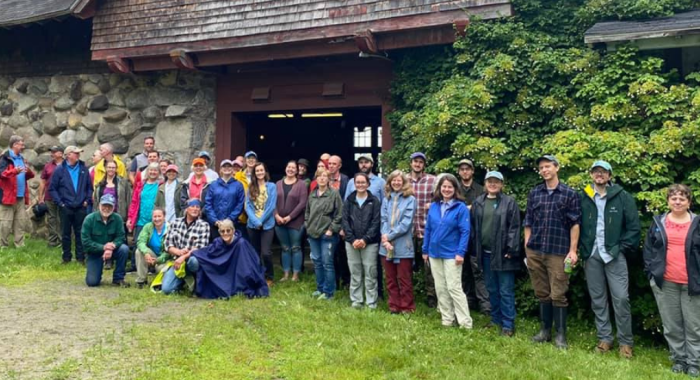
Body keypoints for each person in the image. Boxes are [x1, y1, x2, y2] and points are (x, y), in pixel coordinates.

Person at [580, 161, 640, 358]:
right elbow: (575, 223)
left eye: (603, 171)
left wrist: (621, 249)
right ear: (591, 175)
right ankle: (605, 338)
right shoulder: (584, 196)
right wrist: (581, 249)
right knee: (598, 299)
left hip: (614, 254)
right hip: (592, 254)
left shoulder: (622, 196)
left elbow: (633, 228)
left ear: (609, 175)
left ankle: (626, 342)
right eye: (596, 171)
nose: (599, 174)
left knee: (621, 299)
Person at [525, 155, 581, 349]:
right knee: (542, 292)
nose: (544, 170)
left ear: (556, 168)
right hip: (536, 249)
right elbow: (528, 222)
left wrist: (573, 251)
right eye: (541, 168)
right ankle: (545, 331)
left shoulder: (569, 193)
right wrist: (527, 247)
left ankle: (560, 335)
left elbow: (575, 224)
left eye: (548, 166)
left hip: (558, 251)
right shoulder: (535, 193)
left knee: (558, 294)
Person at [644, 184, 700, 376]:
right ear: (668, 201)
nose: (677, 202)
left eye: (682, 199)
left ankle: (694, 363)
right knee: (672, 325)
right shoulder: (659, 222)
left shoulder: (697, 223)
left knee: (694, 326)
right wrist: (652, 274)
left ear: (689, 202)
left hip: (692, 284)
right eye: (673, 198)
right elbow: (649, 249)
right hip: (665, 282)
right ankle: (678, 360)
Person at [471, 171, 521, 337]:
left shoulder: (509, 202)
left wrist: (511, 249)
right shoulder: (478, 202)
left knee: (505, 290)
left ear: (502, 184)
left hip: (503, 254)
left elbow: (514, 227)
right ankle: (495, 320)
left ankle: (508, 324)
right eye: (490, 181)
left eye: (496, 182)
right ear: (485, 183)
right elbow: (474, 229)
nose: (493, 184)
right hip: (485, 253)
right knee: (491, 289)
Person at [423, 174, 472, 329]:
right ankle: (447, 319)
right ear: (439, 188)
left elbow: (465, 232)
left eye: (450, 187)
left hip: (452, 253)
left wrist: (460, 253)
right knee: (440, 287)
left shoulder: (461, 208)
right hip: (434, 253)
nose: (446, 189)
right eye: (444, 186)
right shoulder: (434, 206)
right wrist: (425, 250)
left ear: (455, 189)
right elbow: (428, 229)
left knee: (454, 287)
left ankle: (465, 322)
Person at [192, 219, 270, 299]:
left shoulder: (241, 243)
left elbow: (248, 265)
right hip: (225, 274)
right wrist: (190, 253)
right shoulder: (218, 242)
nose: (225, 233)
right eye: (222, 231)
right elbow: (207, 253)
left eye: (228, 230)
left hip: (238, 275)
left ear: (233, 230)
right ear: (219, 232)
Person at [342, 172, 381, 309]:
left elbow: (376, 222)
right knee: (355, 271)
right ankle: (356, 300)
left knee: (370, 272)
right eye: (357, 182)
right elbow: (345, 221)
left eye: (363, 182)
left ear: (368, 184)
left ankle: (371, 302)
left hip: (369, 243)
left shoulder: (374, 201)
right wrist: (352, 239)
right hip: (351, 242)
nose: (360, 185)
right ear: (354, 184)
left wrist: (365, 239)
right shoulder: (349, 200)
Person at [380, 170, 416, 314]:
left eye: (399, 180)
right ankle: (394, 305)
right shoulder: (386, 199)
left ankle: (407, 306)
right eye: (393, 180)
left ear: (404, 182)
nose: (396, 183)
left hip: (403, 245)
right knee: (390, 278)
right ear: (389, 182)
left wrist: (389, 236)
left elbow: (406, 224)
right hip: (386, 246)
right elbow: (383, 219)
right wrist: (384, 237)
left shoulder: (410, 199)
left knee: (404, 278)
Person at [456, 158, 489, 315]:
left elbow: (484, 211)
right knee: (463, 271)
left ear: (472, 171)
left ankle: (484, 305)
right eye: (462, 169)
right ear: (459, 172)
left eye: (467, 169)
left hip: (477, 235)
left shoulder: (481, 190)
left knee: (478, 270)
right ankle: (467, 302)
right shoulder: (455, 189)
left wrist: (471, 208)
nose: (465, 171)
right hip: (459, 237)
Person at [49, 146, 93, 264]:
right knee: (65, 233)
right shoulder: (59, 170)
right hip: (66, 206)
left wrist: (87, 200)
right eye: (75, 153)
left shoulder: (83, 169)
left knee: (80, 233)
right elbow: (52, 189)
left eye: (78, 153)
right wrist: (61, 203)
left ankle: (80, 257)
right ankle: (66, 257)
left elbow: (89, 187)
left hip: (80, 206)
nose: (78, 155)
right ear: (68, 155)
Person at [305, 167, 343, 300]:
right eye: (319, 176)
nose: (322, 178)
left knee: (327, 263)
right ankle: (319, 288)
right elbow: (307, 212)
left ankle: (329, 292)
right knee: (317, 261)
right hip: (313, 233)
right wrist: (307, 225)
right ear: (316, 179)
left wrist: (331, 229)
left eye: (324, 176)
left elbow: (339, 214)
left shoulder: (333, 194)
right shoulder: (312, 194)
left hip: (327, 234)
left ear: (328, 179)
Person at [161, 199, 210, 294]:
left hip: (192, 260)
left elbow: (201, 248)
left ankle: (195, 281)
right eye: (192, 206)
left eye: (198, 207)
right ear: (187, 209)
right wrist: (178, 252)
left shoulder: (204, 225)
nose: (195, 209)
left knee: (194, 261)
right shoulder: (175, 223)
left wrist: (183, 256)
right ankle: (183, 282)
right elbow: (167, 244)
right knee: (166, 290)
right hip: (177, 262)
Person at [82, 194, 130, 287]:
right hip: (95, 252)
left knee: (124, 249)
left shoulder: (118, 219)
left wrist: (112, 246)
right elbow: (86, 242)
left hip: (113, 250)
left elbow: (121, 237)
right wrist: (103, 247)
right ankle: (97, 272)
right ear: (99, 205)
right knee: (92, 282)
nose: (106, 208)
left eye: (109, 206)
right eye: (104, 205)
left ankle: (118, 278)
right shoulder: (89, 219)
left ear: (113, 207)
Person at [409, 152, 437, 307]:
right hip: (408, 230)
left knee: (429, 267)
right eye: (415, 161)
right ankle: (408, 295)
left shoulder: (432, 180)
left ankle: (432, 297)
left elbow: (441, 200)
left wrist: (432, 205)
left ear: (424, 165)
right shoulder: (404, 180)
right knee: (407, 265)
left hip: (427, 230)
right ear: (411, 163)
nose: (417, 164)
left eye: (420, 162)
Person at [275, 160, 308, 282]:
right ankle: (286, 274)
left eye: (293, 168)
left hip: (295, 222)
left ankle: (295, 275)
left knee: (295, 247)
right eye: (289, 167)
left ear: (297, 170)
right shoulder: (278, 184)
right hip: (279, 222)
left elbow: (302, 203)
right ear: (285, 169)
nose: (291, 169)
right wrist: (276, 215)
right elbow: (272, 201)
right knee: (285, 247)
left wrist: (290, 217)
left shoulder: (301, 184)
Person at [0, 135, 34, 249]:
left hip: (20, 196)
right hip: (7, 196)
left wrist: (28, 170)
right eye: (21, 144)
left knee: (20, 222)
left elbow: (28, 176)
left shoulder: (22, 158)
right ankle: (2, 245)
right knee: (5, 223)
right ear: (14, 145)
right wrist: (14, 171)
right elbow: (2, 174)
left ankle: (19, 245)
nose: (23, 146)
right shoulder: (4, 158)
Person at [246, 162, 277, 285]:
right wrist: (255, 221)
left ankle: (269, 276)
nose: (259, 172)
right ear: (254, 173)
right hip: (252, 225)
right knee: (254, 252)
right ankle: (257, 275)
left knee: (266, 252)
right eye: (257, 171)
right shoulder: (251, 187)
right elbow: (248, 206)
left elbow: (271, 206)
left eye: (261, 170)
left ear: (265, 172)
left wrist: (261, 221)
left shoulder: (272, 186)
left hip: (267, 225)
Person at [205, 159, 245, 241]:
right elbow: (208, 203)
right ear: (220, 169)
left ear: (232, 169)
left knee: (231, 248)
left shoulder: (238, 185)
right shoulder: (213, 185)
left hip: (232, 224)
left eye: (229, 166)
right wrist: (215, 220)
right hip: (216, 225)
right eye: (224, 166)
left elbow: (240, 204)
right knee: (217, 247)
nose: (227, 168)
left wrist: (230, 219)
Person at [135, 208, 169, 288]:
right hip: (151, 255)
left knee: (162, 270)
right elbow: (141, 242)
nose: (157, 219)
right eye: (155, 216)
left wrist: (157, 260)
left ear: (164, 217)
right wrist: (146, 253)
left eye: (159, 216)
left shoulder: (170, 228)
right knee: (139, 251)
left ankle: (159, 280)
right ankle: (141, 280)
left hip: (164, 258)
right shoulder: (148, 227)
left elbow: (169, 250)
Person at [39, 145, 63, 247]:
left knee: (62, 219)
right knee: (51, 219)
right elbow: (43, 182)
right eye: (51, 152)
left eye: (54, 152)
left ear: (61, 153)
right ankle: (53, 241)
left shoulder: (67, 165)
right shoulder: (47, 166)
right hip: (49, 197)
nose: (51, 154)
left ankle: (62, 241)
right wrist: (40, 197)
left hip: (63, 197)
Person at [232, 157, 249, 239]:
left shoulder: (244, 180)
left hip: (243, 217)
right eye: (234, 166)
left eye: (238, 166)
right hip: (230, 217)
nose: (235, 168)